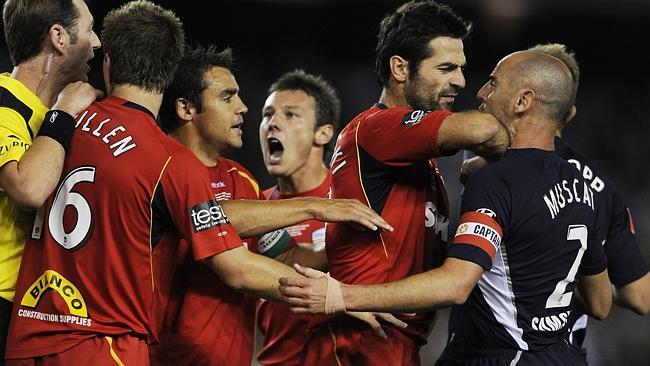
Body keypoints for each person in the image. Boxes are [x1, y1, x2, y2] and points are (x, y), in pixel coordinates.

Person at [280, 49, 614, 365]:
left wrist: (344, 295)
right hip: (562, 355)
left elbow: (455, 285)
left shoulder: (495, 180)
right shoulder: (586, 186)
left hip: (499, 355)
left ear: (523, 101)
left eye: (494, 83)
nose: (481, 92)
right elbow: (600, 303)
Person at [277, 1, 510, 365]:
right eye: (446, 68)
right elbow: (484, 128)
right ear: (400, 68)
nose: (461, 82)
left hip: (385, 343)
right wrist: (507, 152)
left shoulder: (412, 156)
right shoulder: (378, 129)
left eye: (461, 69)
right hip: (362, 344)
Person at [151, 46, 394, 366]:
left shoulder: (242, 181)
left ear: (324, 133)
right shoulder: (163, 168)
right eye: (227, 98)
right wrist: (341, 295)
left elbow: (279, 258)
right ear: (186, 108)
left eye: (290, 114)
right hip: (164, 356)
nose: (245, 110)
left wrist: (339, 264)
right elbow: (235, 261)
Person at [527, 43, 649, 354]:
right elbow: (640, 295)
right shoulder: (603, 188)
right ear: (569, 112)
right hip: (564, 353)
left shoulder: (491, 171)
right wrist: (577, 285)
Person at [0, 0, 101, 361]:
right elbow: (28, 188)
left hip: (33, 308)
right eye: (90, 30)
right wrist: (62, 113)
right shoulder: (4, 105)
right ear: (58, 37)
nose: (98, 43)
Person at [256, 69, 339, 366]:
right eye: (267, 115)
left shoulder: (351, 201)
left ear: (323, 133)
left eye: (291, 115)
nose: (273, 123)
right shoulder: (256, 207)